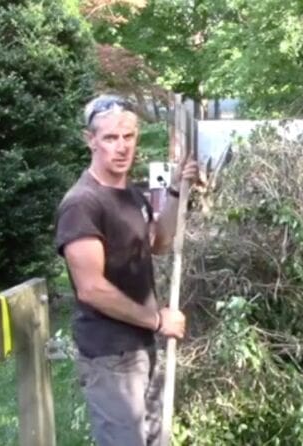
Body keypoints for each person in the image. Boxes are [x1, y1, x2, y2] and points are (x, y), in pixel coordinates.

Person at [54, 94, 198, 446]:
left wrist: (177, 189)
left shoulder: (130, 194)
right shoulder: (82, 204)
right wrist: (158, 320)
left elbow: (159, 242)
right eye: (110, 138)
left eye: (128, 137)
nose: (122, 147)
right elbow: (91, 288)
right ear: (91, 140)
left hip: (141, 347)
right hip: (110, 356)